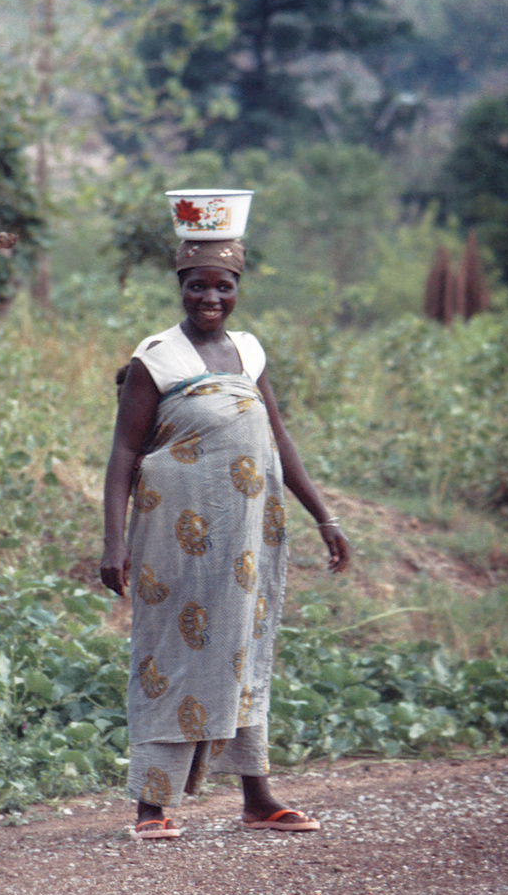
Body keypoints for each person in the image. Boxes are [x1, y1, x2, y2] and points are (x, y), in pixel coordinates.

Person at [99, 238, 350, 840]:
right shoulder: (156, 359)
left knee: (243, 650)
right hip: (171, 537)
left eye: (223, 287)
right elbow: (124, 453)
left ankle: (257, 797)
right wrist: (113, 543)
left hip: (246, 538)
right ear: (179, 285)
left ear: (238, 290)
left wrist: (325, 516)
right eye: (197, 285)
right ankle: (151, 807)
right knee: (171, 654)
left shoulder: (249, 352)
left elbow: (279, 444)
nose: (210, 298)